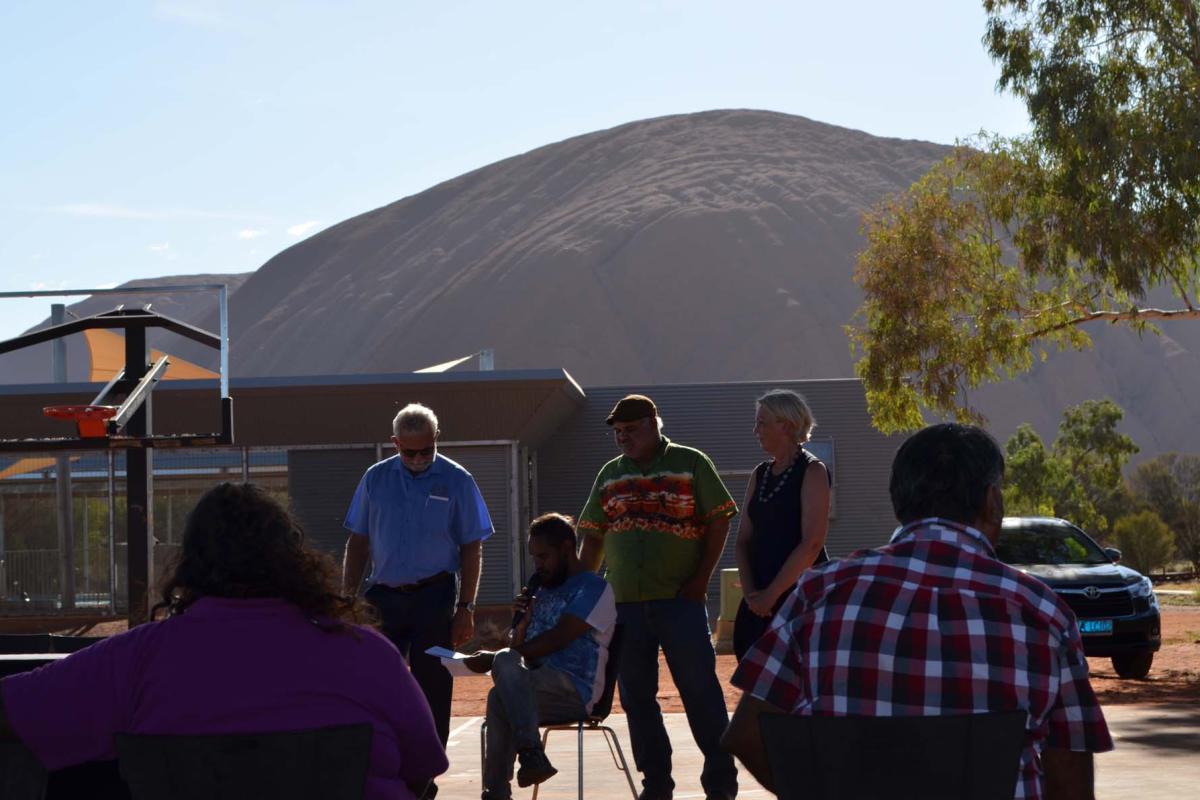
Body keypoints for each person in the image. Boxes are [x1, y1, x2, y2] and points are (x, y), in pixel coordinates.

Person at [721, 423, 1114, 800]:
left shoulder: (820, 592)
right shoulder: (1040, 612)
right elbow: (1070, 782)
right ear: (992, 502)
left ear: (900, 503)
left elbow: (746, 735)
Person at [0, 483, 448, 800]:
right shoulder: (367, 655)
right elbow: (422, 769)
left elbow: (14, 711)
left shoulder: (136, 658)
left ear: (190, 564)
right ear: (295, 559)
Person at [578, 394, 739, 800]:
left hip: (680, 601)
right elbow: (593, 537)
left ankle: (720, 782)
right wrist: (582, 594)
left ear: (653, 424)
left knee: (700, 692)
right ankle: (656, 784)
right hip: (624, 606)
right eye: (618, 432)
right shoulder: (610, 474)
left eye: (631, 430)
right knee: (636, 698)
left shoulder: (691, 463)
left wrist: (701, 579)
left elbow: (719, 521)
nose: (623, 438)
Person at [343, 403, 494, 764]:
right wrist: (346, 599)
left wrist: (466, 608)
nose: (418, 459)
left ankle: (429, 770)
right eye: (409, 452)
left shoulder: (458, 479)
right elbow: (358, 542)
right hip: (383, 597)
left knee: (434, 685)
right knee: (377, 682)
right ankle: (383, 761)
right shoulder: (375, 479)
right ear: (395, 443)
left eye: (427, 450)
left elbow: (472, 547)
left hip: (435, 596)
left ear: (437, 439)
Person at [465, 513, 617, 800]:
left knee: (503, 670)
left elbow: (560, 637)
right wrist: (521, 624)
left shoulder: (593, 588)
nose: (538, 565)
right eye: (534, 557)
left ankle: (527, 756)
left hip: (574, 691)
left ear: (567, 549)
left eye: (544, 556)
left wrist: (496, 656)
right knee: (498, 697)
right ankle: (508, 782)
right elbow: (520, 652)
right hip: (533, 687)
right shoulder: (542, 590)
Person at [732, 390, 830, 660]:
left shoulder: (813, 471)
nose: (755, 430)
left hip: (800, 600)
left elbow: (812, 544)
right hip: (759, 600)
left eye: (762, 423)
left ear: (786, 425)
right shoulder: (760, 473)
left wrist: (771, 595)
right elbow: (742, 541)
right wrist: (752, 595)